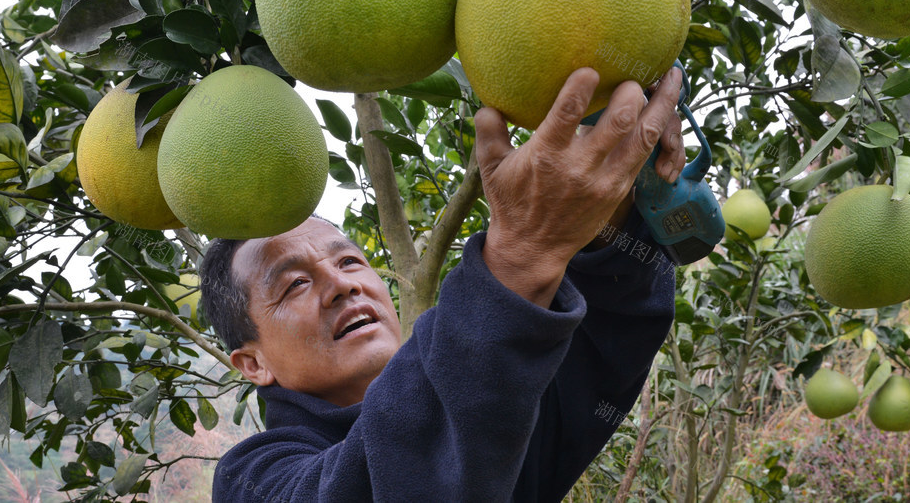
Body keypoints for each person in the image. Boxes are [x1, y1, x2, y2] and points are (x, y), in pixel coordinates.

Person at [201, 67, 685, 501]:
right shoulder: (254, 481)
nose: (341, 285)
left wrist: (611, 216)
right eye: (295, 285)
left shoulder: (500, 413)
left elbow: (603, 342)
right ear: (253, 362)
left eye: (349, 261)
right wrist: (519, 257)